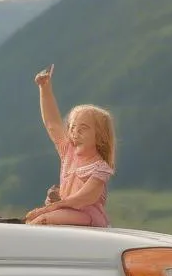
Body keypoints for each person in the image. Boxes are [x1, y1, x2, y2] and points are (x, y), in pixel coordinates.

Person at [26, 64, 116, 227]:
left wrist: (48, 209)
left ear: (100, 136)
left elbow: (83, 198)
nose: (75, 133)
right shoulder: (68, 151)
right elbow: (52, 123)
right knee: (35, 221)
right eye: (72, 128)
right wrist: (44, 88)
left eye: (83, 128)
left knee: (42, 220)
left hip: (88, 216)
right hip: (66, 210)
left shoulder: (100, 168)